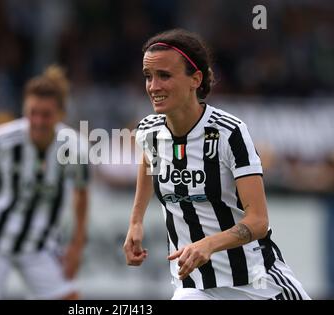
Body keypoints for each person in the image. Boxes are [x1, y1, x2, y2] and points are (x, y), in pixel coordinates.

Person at [123, 29, 310, 300]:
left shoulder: (229, 133)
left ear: (195, 80)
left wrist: (208, 245)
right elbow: (148, 160)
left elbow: (258, 221)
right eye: (148, 77)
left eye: (164, 76)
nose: (153, 87)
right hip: (195, 288)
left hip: (258, 284)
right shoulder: (149, 131)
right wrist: (135, 221)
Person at [0, 65, 89, 300]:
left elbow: (81, 193)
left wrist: (76, 246)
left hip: (40, 243)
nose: (38, 121)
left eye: (46, 114)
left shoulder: (74, 148)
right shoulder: (2, 141)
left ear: (60, 114)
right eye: (32, 112)